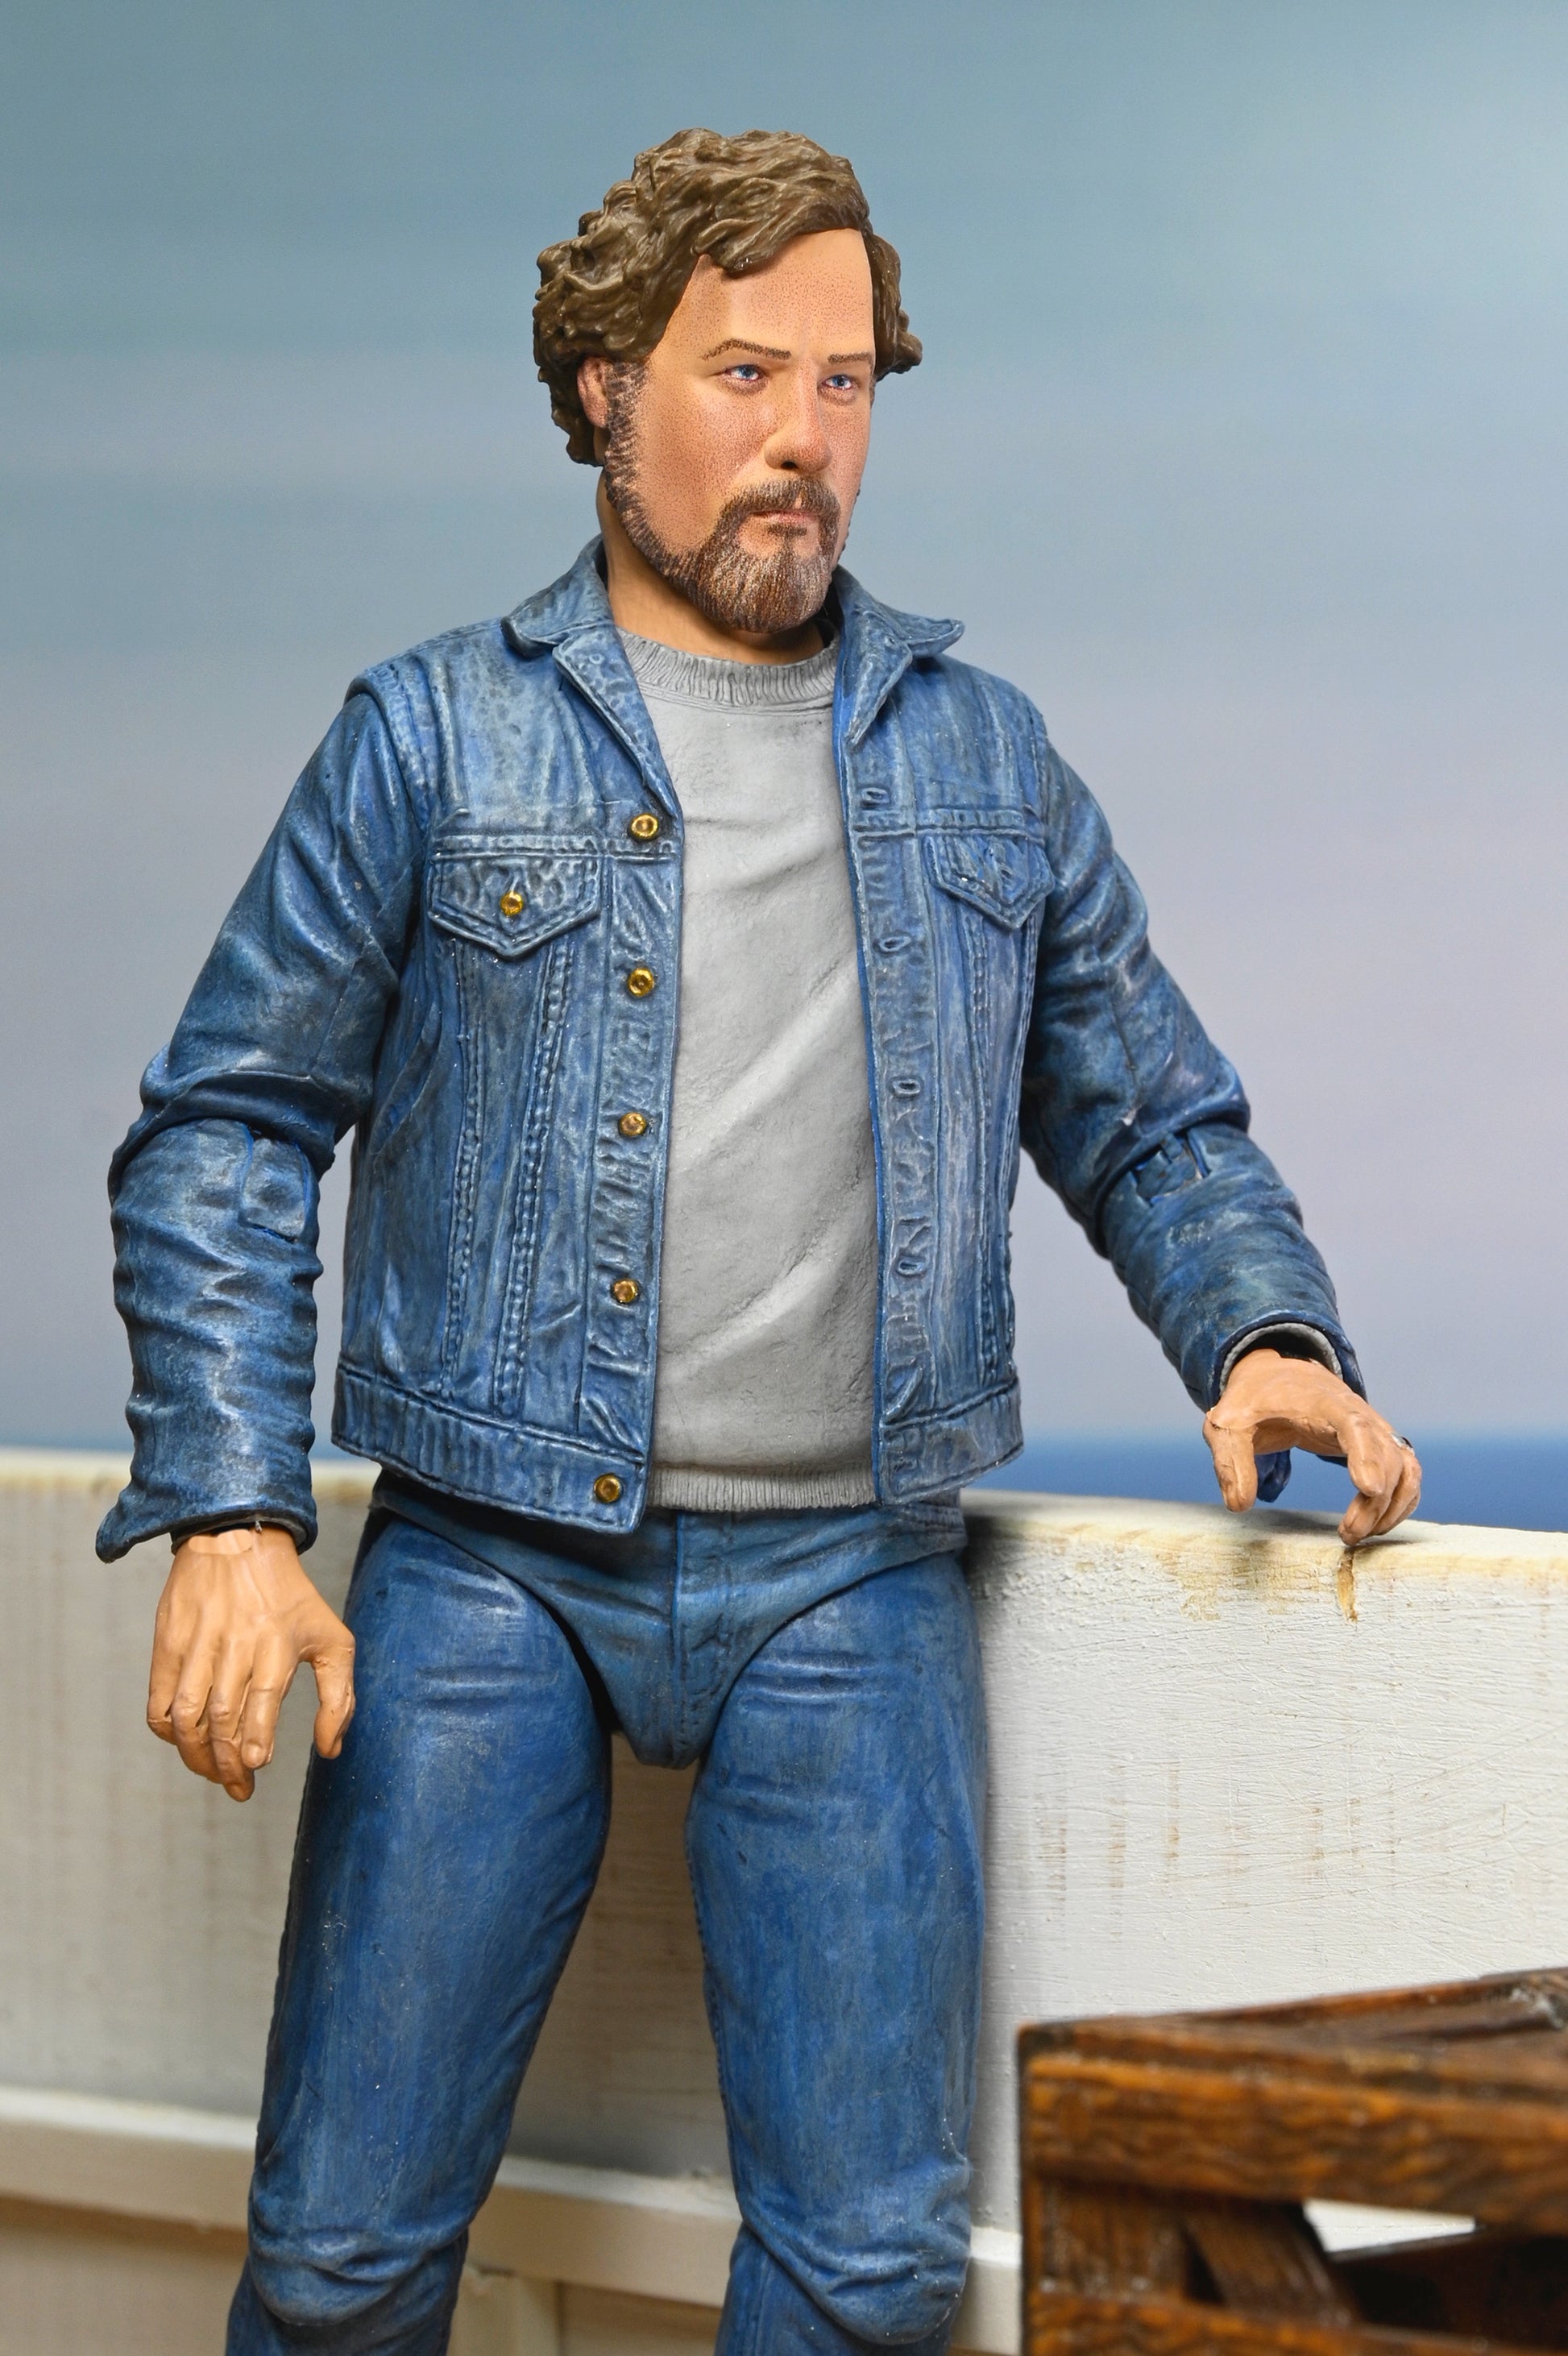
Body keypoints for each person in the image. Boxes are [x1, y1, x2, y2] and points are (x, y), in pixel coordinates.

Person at [101, 128, 1421, 2356]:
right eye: (743, 373)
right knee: (340, 2255)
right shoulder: (432, 736)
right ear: (604, 388)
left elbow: (1148, 1106)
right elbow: (227, 1124)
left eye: (845, 381)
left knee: (873, 2267)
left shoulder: (984, 760)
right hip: (490, 1553)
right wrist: (231, 1508)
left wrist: (1262, 1327)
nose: (804, 437)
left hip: (851, 1572)